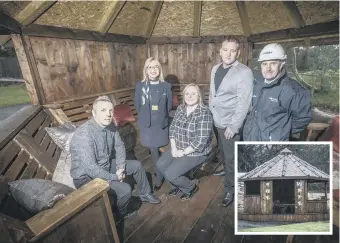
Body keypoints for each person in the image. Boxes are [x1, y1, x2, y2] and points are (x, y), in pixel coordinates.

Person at [70, 96, 160, 219]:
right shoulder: (84, 135)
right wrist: (115, 177)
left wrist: (120, 167)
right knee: (125, 190)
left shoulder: (110, 126)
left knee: (137, 165)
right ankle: (120, 215)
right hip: (86, 178)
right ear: (93, 113)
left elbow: (119, 146)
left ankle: (146, 194)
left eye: (110, 111)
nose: (108, 114)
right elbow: (91, 169)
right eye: (103, 110)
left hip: (104, 165)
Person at [209, 36, 254, 207]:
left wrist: (234, 126)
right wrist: (211, 111)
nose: (228, 54)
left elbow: (244, 102)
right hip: (216, 120)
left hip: (230, 124)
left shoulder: (244, 72)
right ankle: (227, 172)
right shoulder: (215, 69)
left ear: (238, 52)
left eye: (233, 50)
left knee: (231, 158)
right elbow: (214, 93)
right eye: (225, 50)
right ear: (220, 51)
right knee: (223, 152)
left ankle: (230, 188)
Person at [243, 43, 312, 141]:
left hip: (273, 144)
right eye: (264, 64)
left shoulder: (293, 90)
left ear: (282, 64)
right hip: (251, 139)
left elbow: (302, 119)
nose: (268, 68)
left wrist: (280, 131)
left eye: (273, 63)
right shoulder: (257, 83)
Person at [156, 83, 213, 201]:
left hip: (196, 152)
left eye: (193, 93)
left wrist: (183, 152)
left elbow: (200, 141)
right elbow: (172, 129)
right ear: (184, 95)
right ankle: (176, 186)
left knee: (170, 174)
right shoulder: (181, 108)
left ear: (199, 96)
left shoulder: (204, 112)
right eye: (187, 93)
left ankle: (190, 188)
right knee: (160, 165)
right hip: (179, 147)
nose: (190, 96)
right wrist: (174, 148)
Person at [135, 57, 172, 192]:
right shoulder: (140, 86)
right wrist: (147, 117)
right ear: (146, 70)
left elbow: (168, 107)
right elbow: (138, 106)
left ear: (160, 69)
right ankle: (159, 177)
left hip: (161, 125)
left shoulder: (166, 86)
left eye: (156, 67)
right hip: (147, 126)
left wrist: (159, 117)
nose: (153, 70)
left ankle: (162, 173)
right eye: (150, 67)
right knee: (154, 150)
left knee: (162, 151)